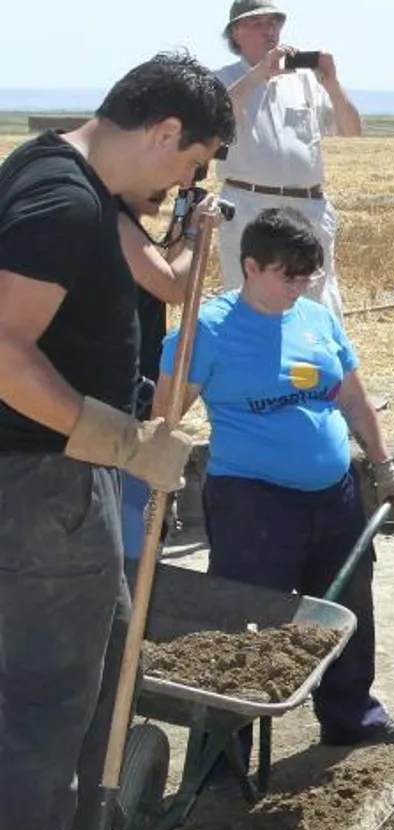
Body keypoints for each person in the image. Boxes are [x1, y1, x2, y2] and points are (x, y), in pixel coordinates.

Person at [0, 51, 231, 830]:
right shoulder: (61, 204)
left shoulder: (68, 177)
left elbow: (158, 284)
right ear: (164, 131)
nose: (188, 181)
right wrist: (123, 442)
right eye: (192, 160)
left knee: (95, 671)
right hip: (41, 483)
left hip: (59, 478)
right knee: (45, 704)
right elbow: (5, 349)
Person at [154, 208, 394, 784]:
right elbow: (166, 417)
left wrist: (384, 465)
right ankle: (220, 763)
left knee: (348, 606)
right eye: (288, 275)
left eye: (308, 276)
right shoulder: (209, 331)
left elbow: (353, 398)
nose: (300, 286)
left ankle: (351, 716)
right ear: (250, 266)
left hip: (334, 495)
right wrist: (160, 480)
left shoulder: (317, 320)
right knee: (244, 626)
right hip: (252, 503)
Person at [214, 0, 362, 318]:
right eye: (258, 23)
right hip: (247, 205)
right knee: (248, 299)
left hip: (308, 207)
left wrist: (332, 82)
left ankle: (313, 366)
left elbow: (351, 129)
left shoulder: (306, 81)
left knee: (317, 301)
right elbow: (215, 116)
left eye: (274, 22)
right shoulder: (223, 80)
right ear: (236, 33)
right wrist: (259, 74)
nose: (270, 30)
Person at [117, 180, 229, 575]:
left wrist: (184, 221)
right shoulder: (108, 223)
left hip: (131, 398)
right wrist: (197, 234)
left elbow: (162, 270)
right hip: (115, 410)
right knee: (127, 531)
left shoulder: (109, 227)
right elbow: (172, 284)